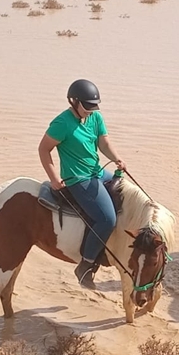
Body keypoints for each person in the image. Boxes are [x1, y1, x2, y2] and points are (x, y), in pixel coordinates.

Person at [38, 79, 127, 287]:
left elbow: (103, 142)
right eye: (86, 106)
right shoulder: (62, 123)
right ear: (73, 101)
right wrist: (53, 178)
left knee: (125, 195)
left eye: (93, 106)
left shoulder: (95, 117)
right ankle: (86, 265)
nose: (90, 110)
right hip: (78, 178)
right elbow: (43, 149)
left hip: (97, 171)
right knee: (107, 219)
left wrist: (117, 158)